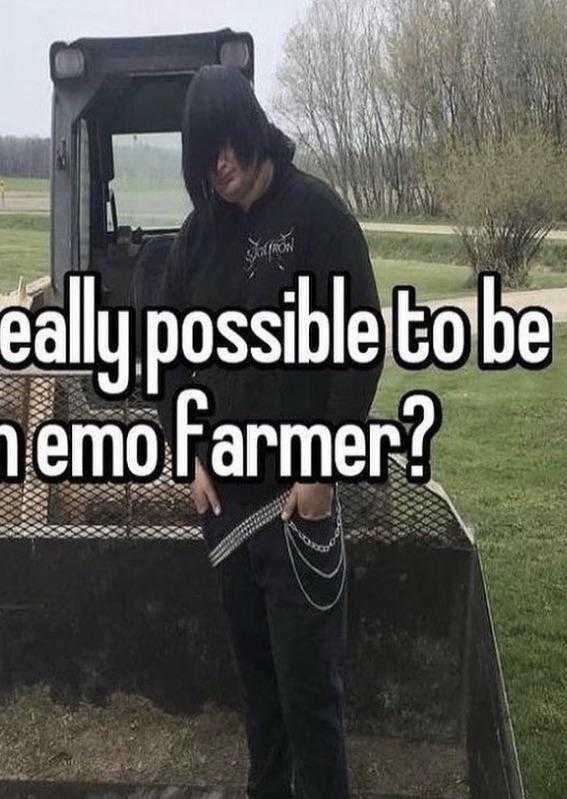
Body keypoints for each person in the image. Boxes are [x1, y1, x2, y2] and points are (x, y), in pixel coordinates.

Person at [156, 65, 383, 799]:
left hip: (296, 509)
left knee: (309, 695)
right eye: (202, 154)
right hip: (226, 511)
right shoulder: (197, 239)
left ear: (250, 129)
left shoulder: (317, 215)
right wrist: (190, 452)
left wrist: (322, 473)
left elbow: (359, 347)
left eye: (224, 144)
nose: (217, 163)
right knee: (257, 694)